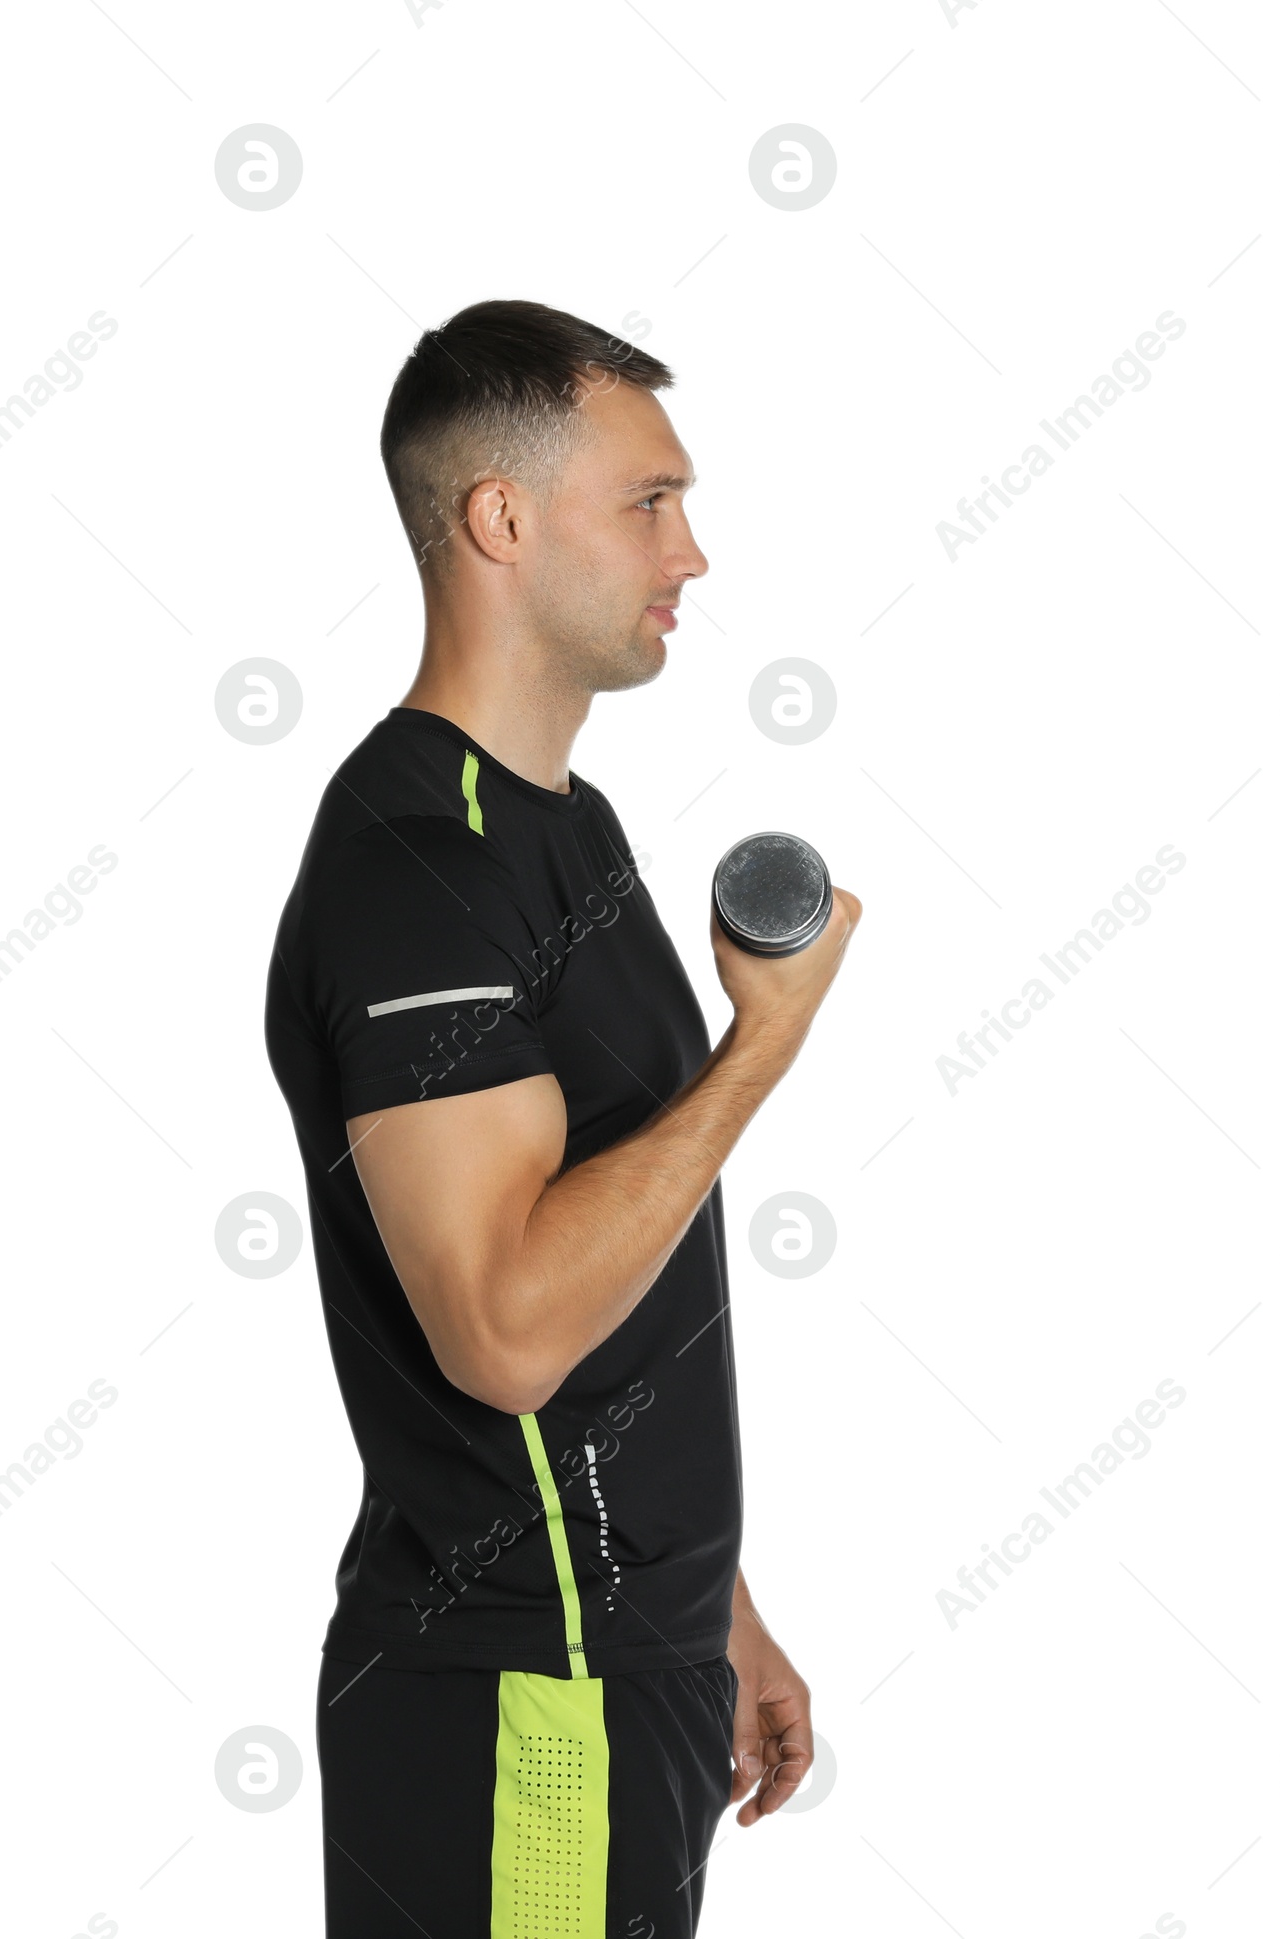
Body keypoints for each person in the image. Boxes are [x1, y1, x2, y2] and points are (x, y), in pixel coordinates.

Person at [264, 299, 861, 1937]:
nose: (695, 553)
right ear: (502, 521)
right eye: (649, 503)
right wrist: (762, 1052)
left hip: (623, 1666)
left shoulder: (567, 831)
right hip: (523, 1691)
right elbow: (510, 1333)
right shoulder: (416, 868)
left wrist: (717, 1613)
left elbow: (623, 1288)